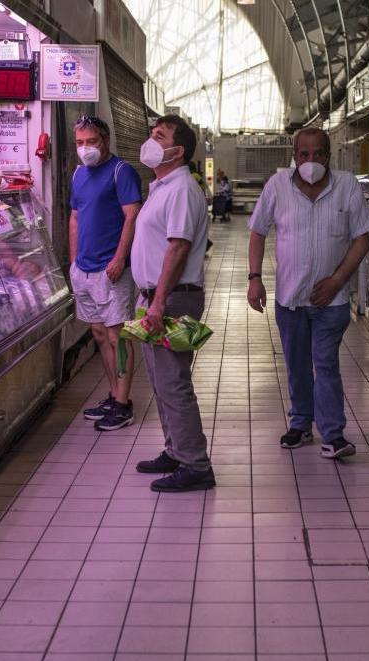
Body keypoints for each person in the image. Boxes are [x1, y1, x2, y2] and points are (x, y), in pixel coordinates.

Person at [248, 127, 369, 460]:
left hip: (331, 302)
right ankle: (301, 424)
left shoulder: (346, 186)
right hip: (290, 298)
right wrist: (255, 278)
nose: (311, 160)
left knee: (326, 364)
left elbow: (362, 239)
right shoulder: (278, 186)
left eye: (318, 153)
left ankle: (333, 435)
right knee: (297, 364)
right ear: (294, 155)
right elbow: (258, 232)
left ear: (329, 156)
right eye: (304, 154)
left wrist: (336, 281)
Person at [132, 115, 215, 492]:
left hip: (173, 299)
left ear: (177, 150)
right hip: (157, 297)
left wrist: (158, 303)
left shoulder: (181, 188)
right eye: (151, 134)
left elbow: (178, 247)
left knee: (174, 383)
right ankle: (175, 449)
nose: (150, 140)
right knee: (161, 383)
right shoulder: (162, 187)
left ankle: (195, 465)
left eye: (159, 136)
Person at [69, 115, 143, 431]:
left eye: (91, 142)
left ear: (105, 141)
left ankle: (124, 404)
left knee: (118, 336)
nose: (85, 149)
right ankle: (114, 394)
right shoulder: (77, 174)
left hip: (112, 271)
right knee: (99, 334)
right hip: (83, 270)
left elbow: (132, 216)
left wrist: (119, 258)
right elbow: (74, 218)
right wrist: (73, 261)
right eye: (80, 143)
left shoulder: (120, 172)